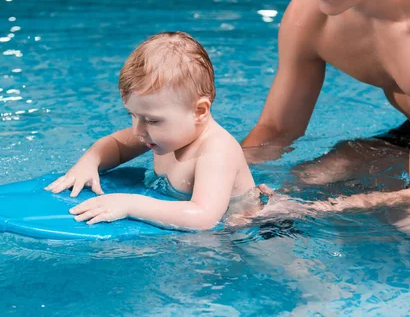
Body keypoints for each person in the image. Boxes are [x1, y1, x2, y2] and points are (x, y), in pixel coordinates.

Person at [242, 0, 410, 212]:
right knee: (305, 178)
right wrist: (221, 169)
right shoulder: (311, 13)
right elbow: (276, 130)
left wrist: (315, 209)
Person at [45, 31, 259, 230]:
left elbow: (204, 217)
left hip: (245, 230)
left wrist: (129, 204)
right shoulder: (160, 134)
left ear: (199, 111)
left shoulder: (216, 150)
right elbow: (116, 146)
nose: (137, 130)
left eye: (152, 120)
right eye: (132, 115)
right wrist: (89, 162)